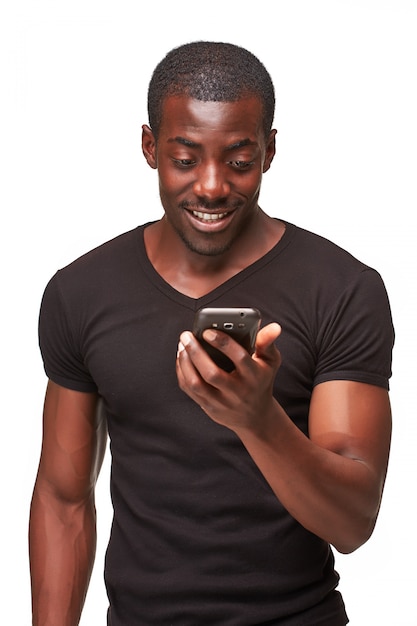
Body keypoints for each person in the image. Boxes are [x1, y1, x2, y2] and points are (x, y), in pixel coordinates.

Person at [29, 41, 394, 625]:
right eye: (186, 158)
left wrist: (257, 419)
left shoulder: (343, 290)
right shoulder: (82, 292)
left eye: (240, 160)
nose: (212, 186)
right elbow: (63, 497)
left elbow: (352, 522)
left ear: (271, 150)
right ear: (150, 147)